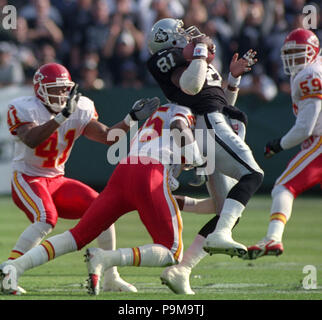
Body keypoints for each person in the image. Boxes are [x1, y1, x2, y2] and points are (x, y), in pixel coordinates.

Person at [1, 102, 201, 296]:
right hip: (148, 174)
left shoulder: (156, 118)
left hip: (124, 170)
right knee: (172, 252)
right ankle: (105, 258)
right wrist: (198, 162)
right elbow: (179, 127)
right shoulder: (183, 112)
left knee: (77, 236)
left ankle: (14, 267)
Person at [3, 62, 159, 294]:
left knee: (104, 208)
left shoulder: (79, 107)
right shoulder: (24, 108)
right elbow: (32, 139)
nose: (62, 94)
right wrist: (61, 117)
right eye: (56, 89)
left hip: (57, 179)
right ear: (40, 89)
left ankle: (111, 276)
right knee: (46, 218)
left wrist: (131, 118)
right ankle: (7, 271)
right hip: (28, 177)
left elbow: (108, 137)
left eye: (65, 88)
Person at [145, 18, 264, 294]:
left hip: (213, 120)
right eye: (180, 33)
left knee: (227, 211)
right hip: (205, 125)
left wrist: (233, 78)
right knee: (253, 175)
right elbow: (191, 88)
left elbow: (221, 102)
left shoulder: (193, 58)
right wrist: (199, 51)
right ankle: (220, 235)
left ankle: (181, 270)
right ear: (168, 40)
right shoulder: (166, 58)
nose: (188, 35)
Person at [245, 28, 322, 260]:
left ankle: (273, 238)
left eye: (300, 53)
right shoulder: (312, 69)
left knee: (283, 186)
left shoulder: (310, 75)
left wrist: (278, 144)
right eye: (291, 54)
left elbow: (305, 128)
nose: (294, 59)